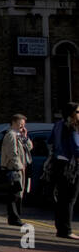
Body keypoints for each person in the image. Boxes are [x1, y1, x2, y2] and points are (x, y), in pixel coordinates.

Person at [49, 102, 79, 239]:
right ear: (71, 113)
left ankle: (60, 228)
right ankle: (66, 230)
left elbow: (50, 141)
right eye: (77, 112)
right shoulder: (72, 127)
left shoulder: (58, 124)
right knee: (70, 199)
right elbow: (76, 148)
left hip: (58, 163)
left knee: (61, 198)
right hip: (70, 166)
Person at [0, 113, 33, 228]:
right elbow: (12, 152)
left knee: (19, 193)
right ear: (14, 122)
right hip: (14, 169)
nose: (22, 126)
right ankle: (14, 218)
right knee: (14, 194)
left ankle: (16, 216)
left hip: (20, 168)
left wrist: (25, 136)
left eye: (24, 124)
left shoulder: (19, 135)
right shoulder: (11, 135)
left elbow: (30, 147)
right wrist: (18, 165)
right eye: (20, 123)